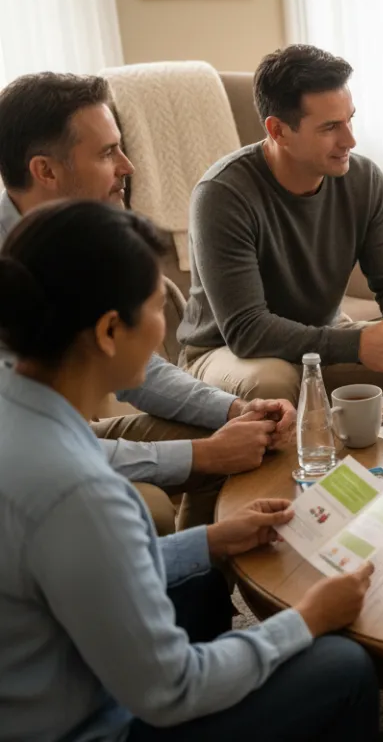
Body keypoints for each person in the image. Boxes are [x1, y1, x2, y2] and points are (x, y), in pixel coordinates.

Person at [0, 201, 379, 740]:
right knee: (342, 666)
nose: (164, 334)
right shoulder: (82, 492)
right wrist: (308, 619)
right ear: (110, 331)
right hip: (81, 726)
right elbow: (171, 689)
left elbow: (81, 565)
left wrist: (211, 539)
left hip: (34, 674)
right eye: (158, 309)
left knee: (200, 582)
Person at [0, 72, 296, 533]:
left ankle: (205, 583)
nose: (127, 166)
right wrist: (200, 454)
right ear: (46, 171)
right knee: (208, 452)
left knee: (243, 440)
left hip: (56, 437)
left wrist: (231, 411)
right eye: (106, 152)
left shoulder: (82, 234)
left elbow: (137, 367)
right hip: (26, 457)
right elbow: (27, 448)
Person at [178, 44, 383, 404]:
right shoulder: (223, 194)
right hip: (227, 351)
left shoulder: (364, 179)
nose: (350, 140)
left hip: (322, 335)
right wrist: (357, 345)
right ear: (278, 130)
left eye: (350, 120)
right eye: (330, 127)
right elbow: (247, 330)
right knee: (272, 383)